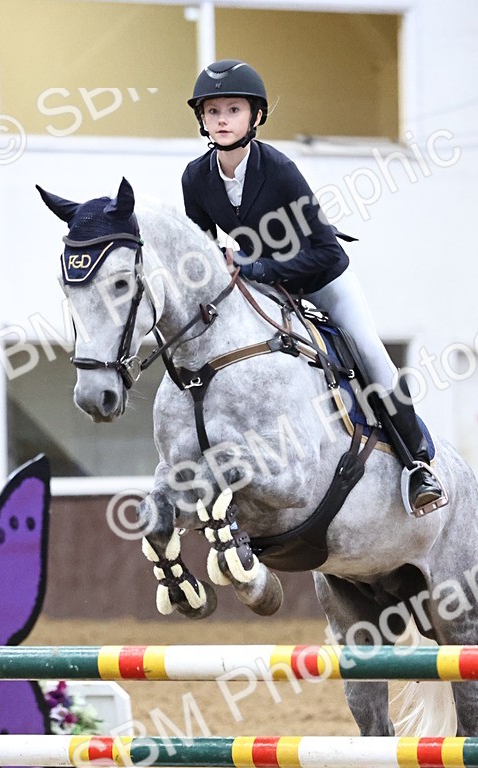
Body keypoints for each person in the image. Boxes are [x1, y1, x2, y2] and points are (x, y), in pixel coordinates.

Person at [181, 58, 445, 516]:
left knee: (370, 354)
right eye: (213, 111)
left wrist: (257, 267)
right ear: (202, 119)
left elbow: (325, 251)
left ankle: (418, 465)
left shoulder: (279, 170)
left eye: (233, 110)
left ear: (256, 116)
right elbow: (205, 251)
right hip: (264, 288)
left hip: (321, 278)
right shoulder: (195, 177)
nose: (222, 120)